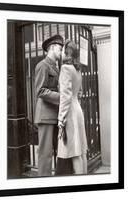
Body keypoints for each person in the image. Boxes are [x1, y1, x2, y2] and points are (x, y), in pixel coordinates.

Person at [34, 34, 64, 176]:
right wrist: (62, 97)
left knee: (59, 152)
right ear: (51, 48)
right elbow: (40, 91)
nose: (61, 52)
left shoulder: (56, 67)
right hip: (45, 116)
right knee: (45, 155)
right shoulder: (42, 66)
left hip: (54, 115)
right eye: (59, 49)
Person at [57, 40, 88, 174]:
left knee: (74, 152)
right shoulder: (77, 69)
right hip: (77, 110)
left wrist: (61, 118)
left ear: (67, 52)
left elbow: (65, 96)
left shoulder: (65, 69)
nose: (62, 53)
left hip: (70, 112)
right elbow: (79, 93)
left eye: (63, 50)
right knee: (81, 150)